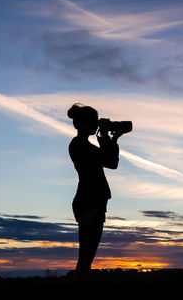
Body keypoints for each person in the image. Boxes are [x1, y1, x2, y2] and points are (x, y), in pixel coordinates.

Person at [67, 103, 121, 274]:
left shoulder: (84, 145)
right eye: (93, 121)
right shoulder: (79, 146)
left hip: (93, 201)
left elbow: (111, 162)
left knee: (88, 254)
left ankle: (81, 280)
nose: (96, 124)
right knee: (86, 253)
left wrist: (112, 138)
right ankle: (80, 281)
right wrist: (106, 137)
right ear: (82, 123)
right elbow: (110, 161)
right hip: (88, 201)